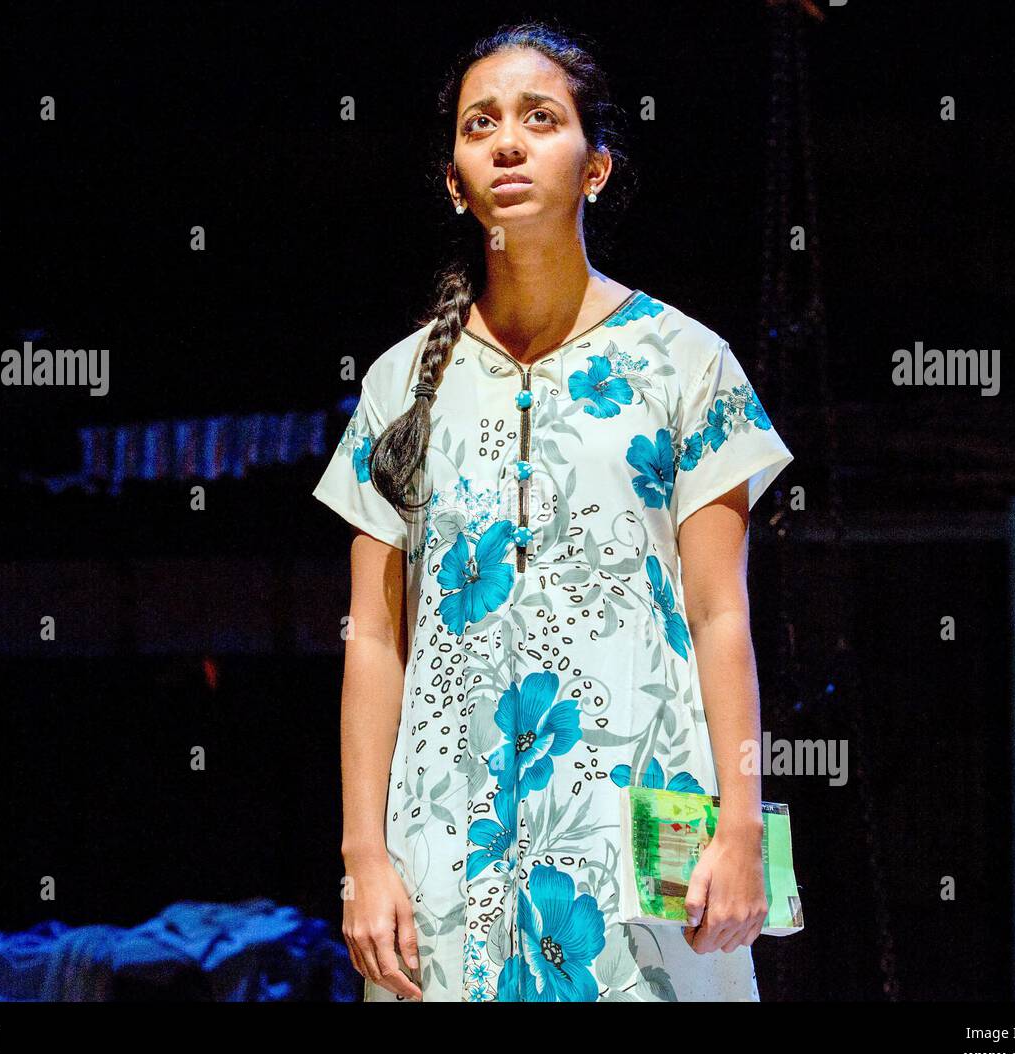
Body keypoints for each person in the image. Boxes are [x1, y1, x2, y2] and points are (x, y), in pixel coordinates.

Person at [311, 21, 793, 1002]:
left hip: (648, 837)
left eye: (541, 118)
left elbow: (720, 616)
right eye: (479, 123)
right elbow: (374, 641)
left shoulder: (685, 362)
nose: (507, 141)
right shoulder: (402, 385)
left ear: (597, 166)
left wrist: (740, 830)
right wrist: (365, 855)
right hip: (445, 846)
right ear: (454, 180)